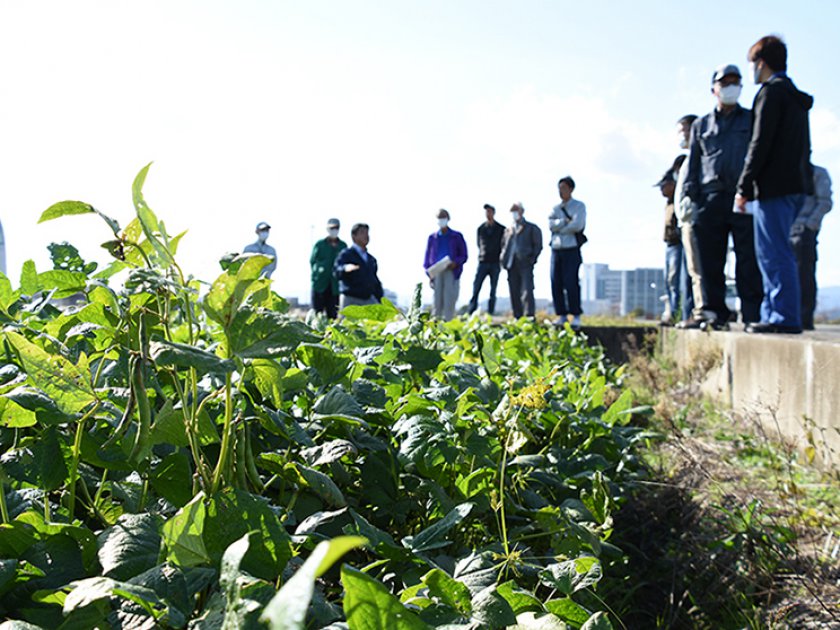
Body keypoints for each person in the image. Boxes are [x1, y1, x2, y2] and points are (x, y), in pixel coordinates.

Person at [736, 35, 814, 334]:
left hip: (774, 187)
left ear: (761, 63)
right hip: (795, 185)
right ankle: (776, 312)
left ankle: (782, 315)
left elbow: (759, 144)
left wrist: (744, 185)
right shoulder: (795, 97)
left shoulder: (771, 94)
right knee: (778, 250)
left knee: (773, 252)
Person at [683, 64, 764, 331]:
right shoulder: (701, 125)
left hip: (743, 196)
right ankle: (716, 313)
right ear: (714, 89)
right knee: (710, 261)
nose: (730, 87)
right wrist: (690, 195)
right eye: (724, 82)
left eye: (735, 82)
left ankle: (752, 312)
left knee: (748, 258)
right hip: (710, 197)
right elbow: (694, 162)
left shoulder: (751, 119)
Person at [791, 165, 832, 330]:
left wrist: (809, 225)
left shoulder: (818, 173)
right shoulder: (783, 172)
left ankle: (805, 319)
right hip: (782, 231)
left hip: (803, 232)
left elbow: (825, 202)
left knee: (804, 276)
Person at [548, 176, 586, 328]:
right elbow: (551, 225)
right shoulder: (555, 208)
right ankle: (561, 315)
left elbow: (577, 225)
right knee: (556, 281)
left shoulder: (579, 206)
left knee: (571, 282)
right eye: (559, 188)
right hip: (556, 249)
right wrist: (564, 222)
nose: (561, 191)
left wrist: (560, 227)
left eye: (563, 188)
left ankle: (576, 315)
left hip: (572, 249)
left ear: (571, 189)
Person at [423, 209, 468, 321]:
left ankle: (448, 325)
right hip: (437, 272)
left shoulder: (456, 236)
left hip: (451, 271)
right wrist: (429, 273)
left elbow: (464, 255)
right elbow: (427, 258)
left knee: (449, 300)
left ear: (448, 219)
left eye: (443, 218)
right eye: (439, 218)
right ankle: (436, 326)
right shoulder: (432, 238)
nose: (441, 220)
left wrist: (455, 263)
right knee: (437, 301)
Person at [501, 203, 542, 319]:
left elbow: (538, 245)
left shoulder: (531, 228)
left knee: (527, 290)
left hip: (525, 262)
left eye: (516, 210)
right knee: (514, 291)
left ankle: (529, 316)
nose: (514, 213)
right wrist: (503, 259)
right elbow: (504, 246)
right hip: (511, 263)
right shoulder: (508, 229)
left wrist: (532, 259)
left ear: (522, 211)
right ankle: (517, 317)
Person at [655, 167, 684, 325]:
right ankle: (670, 312)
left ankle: (675, 313)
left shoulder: (677, 201)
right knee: (668, 281)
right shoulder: (668, 204)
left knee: (675, 281)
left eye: (663, 185)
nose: (661, 189)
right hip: (668, 244)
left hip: (678, 245)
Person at [334, 223, 384, 308]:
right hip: (350, 299)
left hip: (367, 299)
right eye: (362, 233)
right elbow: (336, 271)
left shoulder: (371, 259)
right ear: (354, 236)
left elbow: (374, 280)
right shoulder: (346, 254)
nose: (366, 236)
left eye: (367, 233)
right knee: (347, 321)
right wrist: (345, 268)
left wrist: (380, 298)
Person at [468, 204, 505, 315]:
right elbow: (479, 244)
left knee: (493, 290)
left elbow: (504, 245)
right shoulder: (481, 229)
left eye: (490, 211)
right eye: (486, 212)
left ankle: (490, 312)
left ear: (493, 213)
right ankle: (471, 311)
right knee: (476, 287)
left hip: (495, 262)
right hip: (483, 261)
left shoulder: (501, 229)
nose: (488, 214)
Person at [310, 218, 347, 319]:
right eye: (331, 228)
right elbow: (312, 261)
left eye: (336, 228)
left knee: (332, 315)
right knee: (317, 315)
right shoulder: (320, 244)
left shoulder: (343, 246)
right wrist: (318, 273)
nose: (334, 230)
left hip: (335, 287)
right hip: (319, 284)